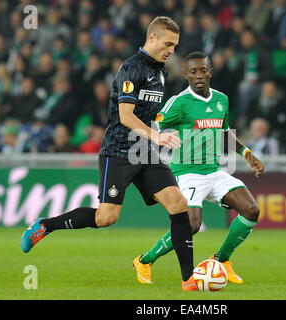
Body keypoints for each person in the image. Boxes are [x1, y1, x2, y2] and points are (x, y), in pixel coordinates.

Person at [20, 16, 199, 291]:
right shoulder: (131, 68)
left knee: (178, 204)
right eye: (168, 44)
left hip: (146, 151)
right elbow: (126, 116)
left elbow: (151, 115)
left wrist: (166, 129)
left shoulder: (161, 72)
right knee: (106, 218)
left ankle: (189, 279)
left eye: (174, 46)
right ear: (152, 38)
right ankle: (46, 225)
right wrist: (157, 135)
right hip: (119, 150)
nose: (172, 50)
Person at [133, 52, 265, 285]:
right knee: (191, 225)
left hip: (214, 171)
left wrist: (247, 154)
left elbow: (224, 133)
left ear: (210, 71)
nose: (199, 75)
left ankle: (222, 259)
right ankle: (145, 260)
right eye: (193, 72)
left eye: (203, 70)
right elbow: (152, 126)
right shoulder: (179, 102)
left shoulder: (221, 99)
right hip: (187, 173)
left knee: (251, 210)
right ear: (185, 75)